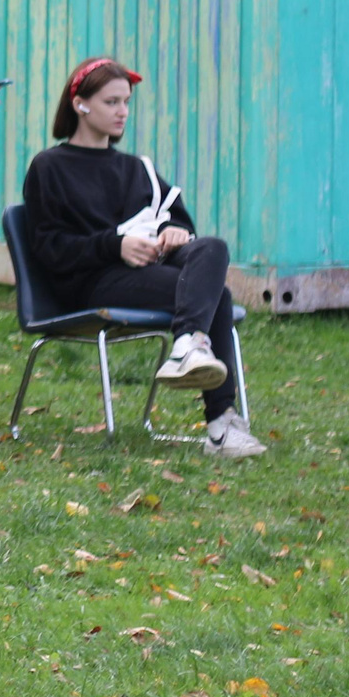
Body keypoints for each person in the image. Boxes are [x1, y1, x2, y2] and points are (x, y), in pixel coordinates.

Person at [22, 58, 266, 459]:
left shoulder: (137, 168)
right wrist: (114, 245)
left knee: (213, 247)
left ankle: (189, 345)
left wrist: (174, 231)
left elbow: (176, 216)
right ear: (80, 104)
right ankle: (220, 424)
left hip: (148, 270)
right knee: (217, 296)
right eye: (111, 102)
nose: (123, 111)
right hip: (92, 282)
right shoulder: (50, 167)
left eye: (126, 102)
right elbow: (49, 248)